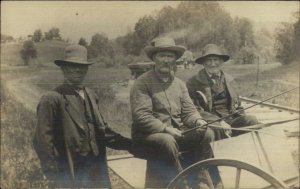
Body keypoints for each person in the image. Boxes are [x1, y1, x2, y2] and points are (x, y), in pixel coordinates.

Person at [33, 44, 131, 188]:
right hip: (71, 168)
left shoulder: (91, 95)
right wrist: (53, 174)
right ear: (64, 69)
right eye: (72, 66)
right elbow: (42, 141)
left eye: (82, 66)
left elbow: (103, 132)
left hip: (96, 167)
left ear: (86, 69)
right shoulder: (52, 99)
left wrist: (132, 145)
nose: (77, 70)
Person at [130, 37, 217, 188]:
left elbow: (189, 111)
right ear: (154, 58)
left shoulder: (179, 84)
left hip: (177, 133)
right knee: (167, 140)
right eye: (162, 56)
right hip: (147, 137)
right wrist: (166, 129)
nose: (166, 60)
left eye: (170, 56)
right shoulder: (142, 83)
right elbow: (141, 117)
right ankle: (181, 183)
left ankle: (200, 178)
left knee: (207, 133)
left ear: (175, 60)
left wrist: (198, 121)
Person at [186, 44, 259, 138]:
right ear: (203, 63)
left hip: (230, 119)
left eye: (215, 60)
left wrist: (241, 116)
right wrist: (219, 122)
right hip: (210, 121)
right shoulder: (193, 82)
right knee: (217, 128)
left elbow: (238, 106)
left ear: (221, 62)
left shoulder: (230, 80)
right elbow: (194, 109)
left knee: (251, 120)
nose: (213, 64)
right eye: (209, 60)